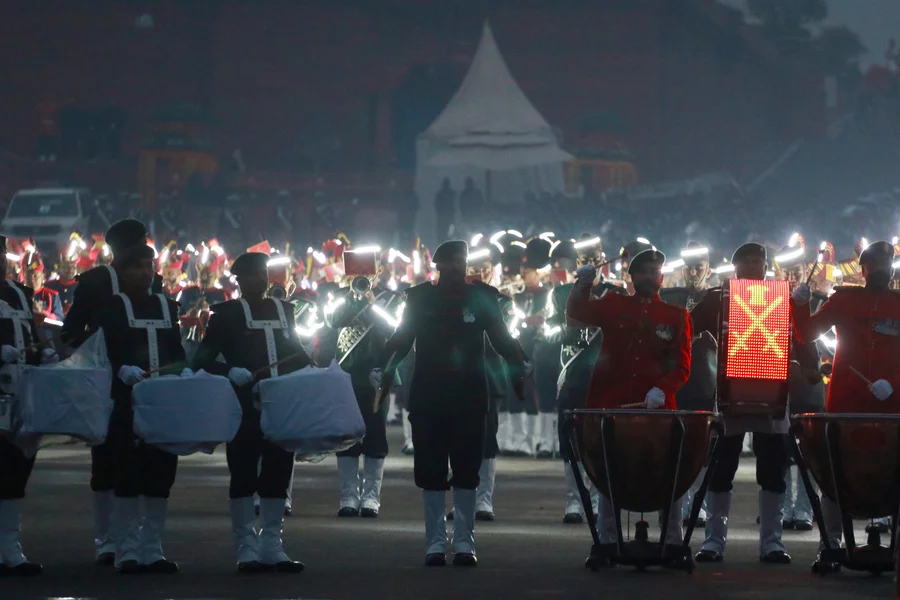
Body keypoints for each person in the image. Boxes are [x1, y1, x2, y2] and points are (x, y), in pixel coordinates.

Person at [372, 240, 527, 567]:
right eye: (452, 262)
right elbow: (402, 337)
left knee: (467, 471)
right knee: (430, 470)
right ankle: (434, 543)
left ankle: (464, 543)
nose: (458, 267)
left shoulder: (481, 297)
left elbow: (501, 337)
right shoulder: (420, 298)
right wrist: (383, 364)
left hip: (469, 395)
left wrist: (518, 361)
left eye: (462, 261)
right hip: (430, 394)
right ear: (439, 265)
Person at [566, 249, 691, 562]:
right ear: (633, 277)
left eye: (655, 271)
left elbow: (682, 365)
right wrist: (583, 285)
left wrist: (663, 389)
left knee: (667, 473)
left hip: (657, 410)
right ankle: (608, 540)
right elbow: (577, 313)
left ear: (662, 277)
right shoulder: (613, 304)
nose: (651, 276)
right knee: (610, 473)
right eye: (645, 271)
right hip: (612, 401)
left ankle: (673, 541)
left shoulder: (676, 315)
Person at [193, 252, 310, 574]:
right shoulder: (225, 314)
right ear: (238, 281)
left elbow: (292, 352)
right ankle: (246, 546)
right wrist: (229, 371)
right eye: (250, 276)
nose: (258, 280)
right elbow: (200, 359)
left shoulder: (285, 309)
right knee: (243, 472)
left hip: (281, 402)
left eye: (262, 274)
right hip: (242, 405)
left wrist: (314, 361)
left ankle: (273, 545)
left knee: (278, 470)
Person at [60, 218, 164, 566]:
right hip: (104, 376)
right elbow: (73, 331)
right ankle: (107, 538)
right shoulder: (94, 283)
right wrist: (99, 357)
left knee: (142, 455)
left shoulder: (153, 283)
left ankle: (124, 540)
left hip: (147, 375)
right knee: (107, 455)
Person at [791, 240, 900, 568]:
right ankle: (831, 546)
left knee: (894, 473)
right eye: (874, 266)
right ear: (863, 270)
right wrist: (799, 305)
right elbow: (807, 333)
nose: (881, 270)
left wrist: (895, 384)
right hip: (846, 401)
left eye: (886, 264)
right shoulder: (844, 299)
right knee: (836, 474)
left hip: (892, 405)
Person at [88, 243, 188, 574]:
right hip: (124, 400)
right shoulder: (111, 307)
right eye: (138, 267)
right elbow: (102, 349)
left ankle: (152, 549)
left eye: (149, 266)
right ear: (122, 271)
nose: (145, 273)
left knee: (161, 473)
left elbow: (174, 348)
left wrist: (181, 369)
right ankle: (126, 549)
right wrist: (120, 368)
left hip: (164, 398)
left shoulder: (166, 305)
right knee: (128, 471)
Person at [690, 243, 793, 564]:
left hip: (773, 394)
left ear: (766, 267)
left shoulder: (782, 295)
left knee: (773, 471)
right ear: (734, 268)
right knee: (720, 470)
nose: (753, 268)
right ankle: (713, 542)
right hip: (729, 395)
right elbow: (687, 326)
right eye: (746, 263)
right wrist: (701, 339)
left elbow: (800, 335)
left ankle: (772, 543)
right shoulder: (717, 297)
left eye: (758, 262)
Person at [549, 235, 617, 524]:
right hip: (574, 373)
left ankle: (603, 499)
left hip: (606, 376)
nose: (589, 265)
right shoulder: (561, 292)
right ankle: (575, 500)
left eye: (594, 259)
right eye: (583, 261)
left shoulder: (616, 293)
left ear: (603, 260)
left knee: (605, 440)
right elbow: (552, 329)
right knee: (571, 439)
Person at [0, 236, 57, 576]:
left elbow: (27, 333)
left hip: (22, 390)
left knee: (17, 469)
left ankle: (10, 546)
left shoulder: (19, 291)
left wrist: (41, 351)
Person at [326, 256, 398, 519]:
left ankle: (371, 498)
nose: (362, 277)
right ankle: (348, 497)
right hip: (345, 375)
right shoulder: (337, 296)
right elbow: (332, 321)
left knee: (376, 435)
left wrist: (371, 303)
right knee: (345, 437)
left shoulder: (390, 298)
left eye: (367, 271)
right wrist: (350, 296)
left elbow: (393, 328)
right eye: (356, 272)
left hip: (376, 374)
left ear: (378, 271)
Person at [660, 241, 715, 526]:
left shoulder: (717, 300)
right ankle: (674, 502)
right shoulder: (669, 298)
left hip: (706, 380)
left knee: (702, 450)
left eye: (699, 267)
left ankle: (699, 503)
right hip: (675, 383)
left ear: (709, 269)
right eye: (690, 268)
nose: (694, 273)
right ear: (682, 269)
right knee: (674, 447)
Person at [773, 241, 825, 532]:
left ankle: (804, 508)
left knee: (807, 456)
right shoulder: (769, 301)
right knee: (778, 456)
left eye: (797, 271)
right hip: (779, 389)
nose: (793, 277)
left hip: (809, 386)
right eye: (787, 272)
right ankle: (781, 509)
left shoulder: (818, 299)